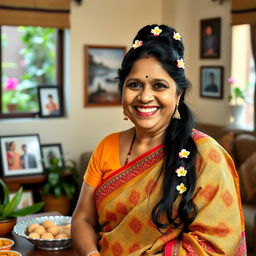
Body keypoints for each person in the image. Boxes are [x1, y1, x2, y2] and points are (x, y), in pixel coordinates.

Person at [71, 24, 246, 255]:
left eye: (159, 86)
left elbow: (216, 244)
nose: (144, 96)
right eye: (134, 84)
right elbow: (82, 219)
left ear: (178, 94)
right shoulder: (107, 146)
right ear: (122, 90)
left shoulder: (206, 156)